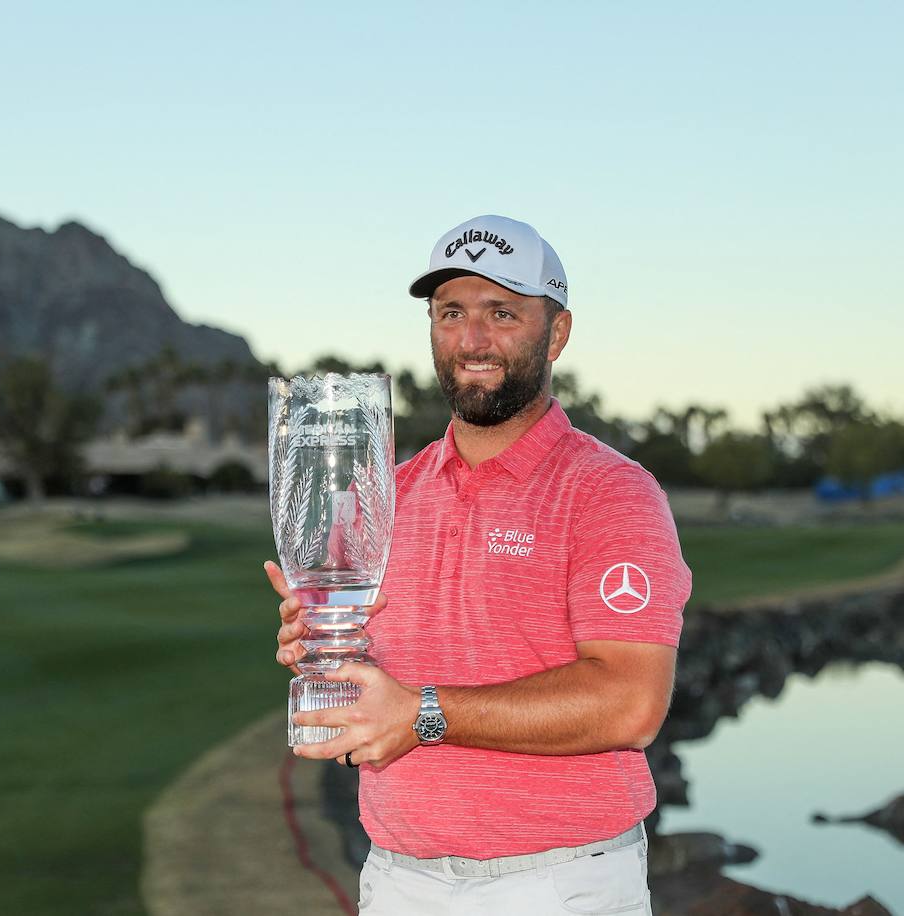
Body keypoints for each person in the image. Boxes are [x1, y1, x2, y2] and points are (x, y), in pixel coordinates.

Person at [264, 214, 692, 915]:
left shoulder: (610, 493)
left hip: (558, 885)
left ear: (557, 332)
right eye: (451, 312)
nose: (472, 340)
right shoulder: (384, 495)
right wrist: (321, 650)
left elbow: (631, 702)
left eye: (502, 313)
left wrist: (424, 715)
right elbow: (373, 702)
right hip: (397, 880)